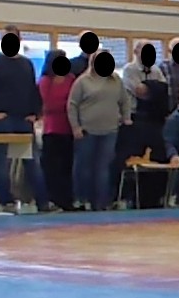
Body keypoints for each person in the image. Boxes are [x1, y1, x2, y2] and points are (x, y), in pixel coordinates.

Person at [0, 25, 51, 214]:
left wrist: (35, 113)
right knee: (2, 164)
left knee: (32, 163)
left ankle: (43, 202)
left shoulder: (26, 64)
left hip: (24, 121)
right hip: (3, 120)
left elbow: (33, 91)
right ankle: (6, 201)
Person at [67, 50, 131, 211]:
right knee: (84, 168)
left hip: (110, 131)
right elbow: (72, 105)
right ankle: (82, 199)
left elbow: (125, 101)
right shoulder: (82, 81)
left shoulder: (116, 80)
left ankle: (101, 202)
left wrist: (126, 117)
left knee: (103, 168)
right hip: (87, 131)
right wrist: (75, 127)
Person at [39, 49, 76, 211]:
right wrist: (67, 105)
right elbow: (48, 104)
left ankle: (67, 200)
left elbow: (75, 100)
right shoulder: (46, 80)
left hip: (68, 127)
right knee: (52, 168)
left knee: (67, 166)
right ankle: (53, 199)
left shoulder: (71, 79)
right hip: (51, 128)